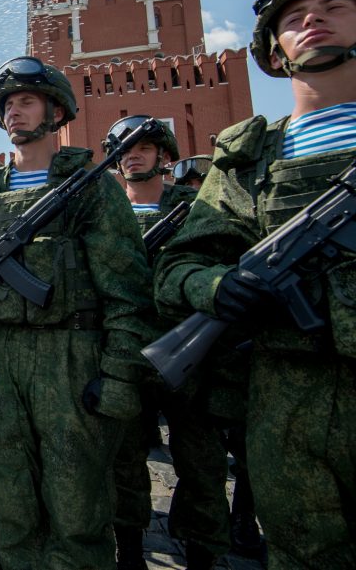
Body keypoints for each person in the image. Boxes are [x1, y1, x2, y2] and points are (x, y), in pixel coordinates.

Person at [154, 0, 356, 568]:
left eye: (334, 6)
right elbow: (180, 268)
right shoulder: (248, 156)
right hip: (286, 397)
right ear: (274, 49)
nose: (311, 21)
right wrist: (216, 288)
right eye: (293, 18)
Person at [0, 57, 154, 569]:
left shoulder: (91, 186)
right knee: (11, 491)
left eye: (26, 101)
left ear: (56, 110)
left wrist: (119, 377)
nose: (14, 112)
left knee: (76, 501)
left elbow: (128, 291)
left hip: (69, 356)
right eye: (7, 105)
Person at [102, 117, 231, 570]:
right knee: (124, 460)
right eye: (123, 150)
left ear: (164, 154)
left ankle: (202, 553)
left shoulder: (197, 208)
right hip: (127, 354)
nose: (132, 155)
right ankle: (130, 551)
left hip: (191, 355)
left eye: (143, 147)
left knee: (202, 465)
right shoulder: (105, 211)